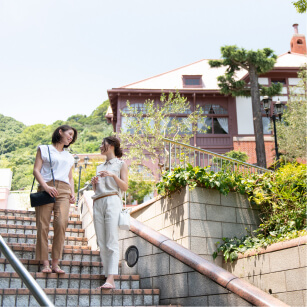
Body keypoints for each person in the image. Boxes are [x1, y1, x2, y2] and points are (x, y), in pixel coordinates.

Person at [33, 125, 77, 273]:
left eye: (72, 137)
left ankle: (55, 263)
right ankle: (45, 263)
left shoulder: (69, 156)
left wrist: (73, 192)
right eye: (69, 134)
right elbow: (36, 170)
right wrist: (45, 186)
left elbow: (70, 177)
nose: (71, 138)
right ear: (60, 132)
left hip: (64, 190)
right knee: (43, 225)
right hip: (46, 189)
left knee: (61, 223)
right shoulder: (44, 149)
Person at [91, 136, 128, 289]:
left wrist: (113, 175)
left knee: (111, 239)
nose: (101, 146)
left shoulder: (120, 164)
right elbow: (97, 190)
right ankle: (107, 275)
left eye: (103, 143)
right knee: (101, 241)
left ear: (111, 145)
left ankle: (111, 279)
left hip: (113, 200)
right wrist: (94, 185)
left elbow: (125, 187)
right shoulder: (99, 167)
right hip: (98, 201)